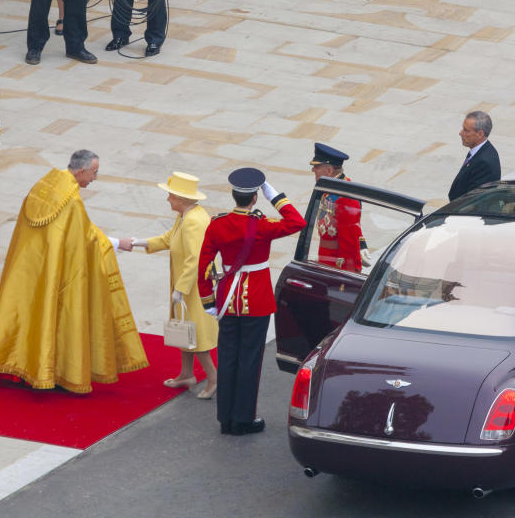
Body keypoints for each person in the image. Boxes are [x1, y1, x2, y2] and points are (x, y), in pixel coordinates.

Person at [0, 150, 149, 393]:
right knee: (53, 315)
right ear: (81, 171)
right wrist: (118, 243)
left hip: (29, 267)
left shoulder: (47, 182)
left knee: (30, 313)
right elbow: (86, 238)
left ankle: (20, 366)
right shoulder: (72, 201)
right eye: (94, 172)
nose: (95, 178)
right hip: (54, 271)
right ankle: (49, 372)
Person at [197, 168, 306, 435]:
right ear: (255, 198)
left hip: (226, 300)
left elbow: (203, 264)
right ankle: (243, 419)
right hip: (255, 301)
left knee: (228, 357)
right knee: (249, 360)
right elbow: (297, 222)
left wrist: (208, 299)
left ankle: (226, 418)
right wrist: (274, 194)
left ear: (233, 195)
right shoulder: (262, 225)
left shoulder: (218, 223)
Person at [121, 172, 218, 399]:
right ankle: (186, 374)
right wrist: (140, 242)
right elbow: (169, 239)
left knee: (197, 335)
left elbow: (195, 259)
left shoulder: (194, 221)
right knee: (185, 328)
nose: (168, 200)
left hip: (193, 286)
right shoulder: (187, 215)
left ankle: (213, 378)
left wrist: (180, 288)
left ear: (181, 199)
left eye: (171, 196)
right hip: (187, 283)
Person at [310, 142, 368, 272]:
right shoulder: (331, 186)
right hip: (326, 260)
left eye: (317, 167)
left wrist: (348, 276)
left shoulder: (346, 199)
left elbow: (349, 245)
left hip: (336, 266)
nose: (313, 170)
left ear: (329, 171)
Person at [448, 110, 501, 201]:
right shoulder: (478, 151)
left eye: (466, 130)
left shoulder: (484, 162)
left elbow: (473, 200)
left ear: (480, 134)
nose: (461, 133)